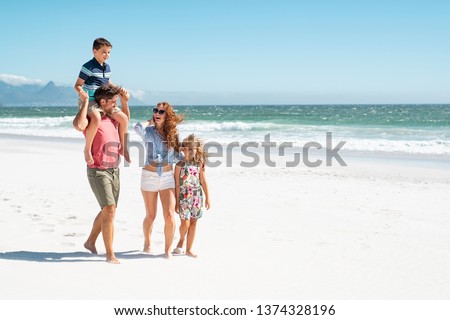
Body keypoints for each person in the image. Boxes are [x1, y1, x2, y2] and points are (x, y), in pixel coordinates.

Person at [73, 84, 130, 264]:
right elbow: (78, 124)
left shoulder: (112, 118)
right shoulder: (93, 118)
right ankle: (110, 255)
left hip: (114, 169)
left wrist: (124, 101)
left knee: (108, 210)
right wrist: (85, 102)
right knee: (109, 210)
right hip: (98, 170)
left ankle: (90, 242)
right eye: (112, 102)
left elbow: (125, 120)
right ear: (103, 102)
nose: (115, 105)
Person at [134, 102, 184, 258]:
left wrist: (195, 163)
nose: (157, 113)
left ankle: (167, 249)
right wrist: (149, 121)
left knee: (169, 215)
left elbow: (178, 156)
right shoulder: (148, 131)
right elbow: (136, 127)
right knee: (151, 215)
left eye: (161, 112)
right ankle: (147, 242)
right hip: (149, 177)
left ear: (167, 115)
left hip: (168, 178)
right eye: (155, 110)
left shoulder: (173, 134)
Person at [73, 37, 131, 165]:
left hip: (104, 101)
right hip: (91, 100)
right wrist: (82, 93)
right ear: (95, 51)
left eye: (109, 52)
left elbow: (107, 83)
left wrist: (119, 90)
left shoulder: (107, 67)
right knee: (96, 117)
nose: (107, 55)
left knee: (123, 118)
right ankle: (87, 149)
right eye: (104, 52)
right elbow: (77, 85)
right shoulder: (88, 67)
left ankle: (123, 148)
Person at [173, 134, 211, 258]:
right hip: (184, 197)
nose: (190, 151)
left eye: (193, 149)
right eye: (187, 149)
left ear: (196, 150)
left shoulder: (199, 164)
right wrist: (177, 202)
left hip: (197, 197)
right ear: (183, 150)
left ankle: (188, 249)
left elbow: (203, 181)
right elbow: (177, 184)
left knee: (194, 222)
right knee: (185, 224)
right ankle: (182, 239)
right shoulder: (179, 165)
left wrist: (208, 198)